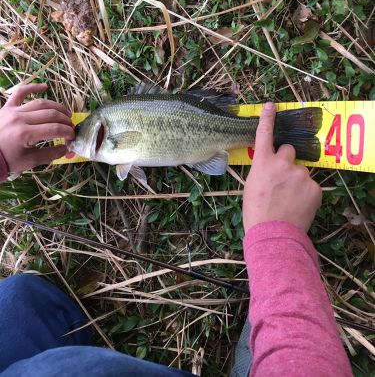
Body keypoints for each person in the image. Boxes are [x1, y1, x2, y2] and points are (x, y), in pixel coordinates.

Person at [0, 84, 352, 376]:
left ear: (102, 133)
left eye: (80, 133)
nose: (73, 142)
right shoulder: (108, 134)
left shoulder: (110, 131)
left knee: (18, 298)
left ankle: (288, 129)